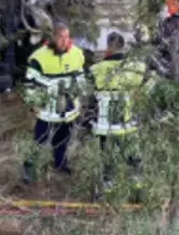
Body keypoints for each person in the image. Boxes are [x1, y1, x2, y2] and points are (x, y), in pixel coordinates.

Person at [22, 22, 87, 183]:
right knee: (39, 140)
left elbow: (80, 78)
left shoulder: (77, 54)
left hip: (69, 108)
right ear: (52, 37)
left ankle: (60, 164)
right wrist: (34, 104)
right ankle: (29, 169)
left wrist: (81, 95)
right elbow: (30, 84)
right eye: (60, 37)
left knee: (63, 139)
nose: (64, 41)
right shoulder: (39, 57)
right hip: (46, 108)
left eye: (67, 37)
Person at [89, 32, 152, 195]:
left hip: (106, 125)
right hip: (128, 122)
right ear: (123, 47)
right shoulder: (138, 68)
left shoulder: (96, 70)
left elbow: (87, 94)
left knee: (107, 158)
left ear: (108, 48)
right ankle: (138, 191)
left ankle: (107, 192)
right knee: (133, 158)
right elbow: (148, 86)